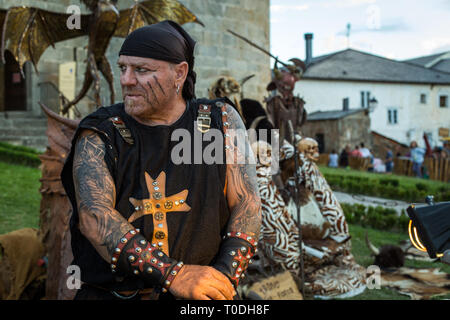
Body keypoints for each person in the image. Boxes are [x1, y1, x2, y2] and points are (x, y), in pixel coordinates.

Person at [61, 20, 261, 300]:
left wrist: (223, 279)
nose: (126, 80)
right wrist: (173, 275)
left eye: (141, 70)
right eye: (123, 68)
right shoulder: (101, 130)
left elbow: (246, 204)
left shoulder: (220, 121)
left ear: (180, 73)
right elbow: (95, 217)